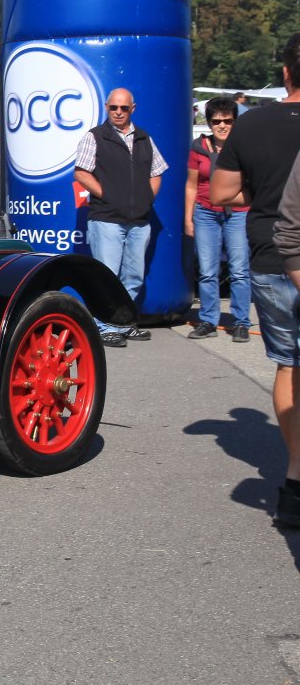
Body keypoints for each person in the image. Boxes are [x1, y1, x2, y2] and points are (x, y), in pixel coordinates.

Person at [213, 32, 300, 529]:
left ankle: (296, 477)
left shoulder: (252, 124)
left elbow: (222, 193)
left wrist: (268, 195)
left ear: (285, 73)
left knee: (289, 365)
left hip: (272, 254)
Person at [73, 87, 166, 348]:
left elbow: (157, 171)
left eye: (124, 108)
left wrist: (147, 198)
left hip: (139, 220)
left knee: (134, 276)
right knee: (107, 276)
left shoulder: (144, 138)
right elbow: (81, 172)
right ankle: (104, 326)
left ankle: (123, 323)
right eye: (113, 107)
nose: (118, 112)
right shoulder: (94, 137)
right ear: (106, 107)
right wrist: (107, 195)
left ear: (132, 109)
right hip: (106, 218)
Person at [185, 97, 250, 340]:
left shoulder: (244, 146)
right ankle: (208, 320)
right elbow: (191, 185)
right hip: (205, 213)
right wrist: (188, 219)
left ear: (235, 121)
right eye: (216, 121)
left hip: (238, 214)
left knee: (240, 270)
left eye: (227, 121)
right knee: (207, 271)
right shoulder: (198, 147)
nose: (222, 126)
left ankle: (241, 321)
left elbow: (254, 182)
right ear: (209, 123)